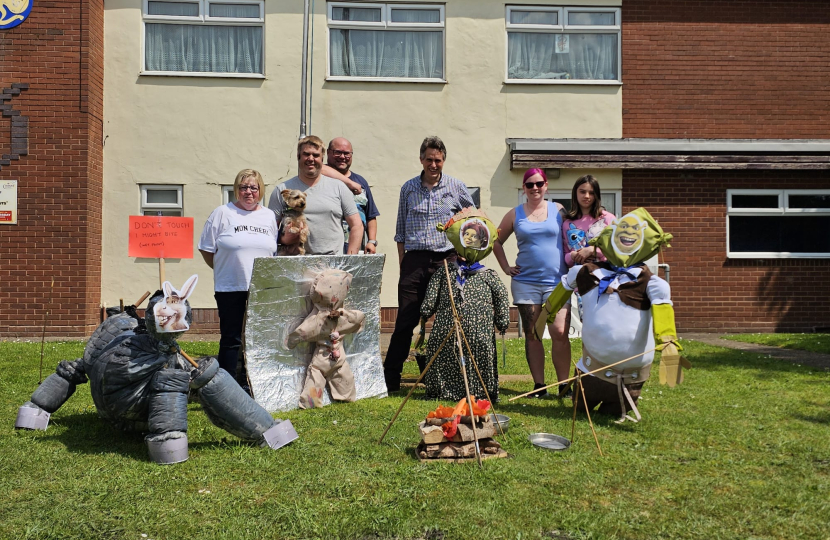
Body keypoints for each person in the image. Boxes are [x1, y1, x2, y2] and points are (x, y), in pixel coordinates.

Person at [383, 136, 475, 392]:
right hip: (414, 261)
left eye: (438, 160)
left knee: (451, 320)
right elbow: (400, 231)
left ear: (443, 160)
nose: (433, 164)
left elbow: (474, 220)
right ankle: (390, 379)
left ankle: (454, 377)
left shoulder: (456, 187)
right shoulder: (408, 188)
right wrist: (403, 264)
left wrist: (466, 252)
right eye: (429, 159)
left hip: (446, 259)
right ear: (421, 159)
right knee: (404, 322)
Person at [492, 168, 570, 398]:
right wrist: (506, 267)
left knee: (559, 332)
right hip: (526, 283)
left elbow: (574, 235)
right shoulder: (515, 214)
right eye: (529, 185)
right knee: (533, 333)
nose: (535, 188)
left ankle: (564, 386)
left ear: (546, 185)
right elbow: (495, 242)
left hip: (557, 282)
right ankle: (539, 387)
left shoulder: (558, 210)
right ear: (524, 188)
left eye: (539, 183)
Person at [421, 210, 510, 401]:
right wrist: (426, 310)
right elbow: (431, 296)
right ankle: (443, 389)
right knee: (444, 352)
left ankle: (479, 391)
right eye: (467, 235)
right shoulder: (445, 271)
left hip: (479, 329)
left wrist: (502, 319)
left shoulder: (488, 275)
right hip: (448, 327)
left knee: (478, 355)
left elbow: (501, 296)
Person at [198, 169, 277, 379]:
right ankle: (228, 385)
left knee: (259, 338)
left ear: (260, 190)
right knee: (231, 338)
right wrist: (225, 268)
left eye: (254, 187)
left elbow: (274, 250)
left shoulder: (269, 216)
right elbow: (206, 249)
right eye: (243, 187)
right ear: (236, 190)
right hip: (230, 287)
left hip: (262, 288)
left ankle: (257, 383)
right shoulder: (222, 213)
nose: (249, 192)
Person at [268, 135, 363, 255]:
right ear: (298, 156)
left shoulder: (339, 187)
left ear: (322, 158)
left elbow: (356, 226)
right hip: (295, 266)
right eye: (306, 154)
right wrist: (284, 239)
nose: (311, 159)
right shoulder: (282, 190)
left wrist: (350, 260)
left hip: (332, 265)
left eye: (316, 155)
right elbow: (269, 231)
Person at [323, 137, 380, 254]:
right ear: (328, 152)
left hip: (356, 249)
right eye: (338, 152)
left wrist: (372, 241)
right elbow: (320, 168)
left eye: (347, 153)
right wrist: (349, 183)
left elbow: (371, 216)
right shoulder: (320, 177)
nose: (343, 157)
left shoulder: (361, 182)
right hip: (327, 250)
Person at [563, 175, 616, 268]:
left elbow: (617, 249)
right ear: (575, 193)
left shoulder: (608, 219)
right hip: (578, 277)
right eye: (582, 192)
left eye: (591, 193)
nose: (587, 196)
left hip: (605, 276)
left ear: (596, 195)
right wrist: (573, 256)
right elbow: (565, 256)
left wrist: (593, 250)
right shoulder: (567, 223)